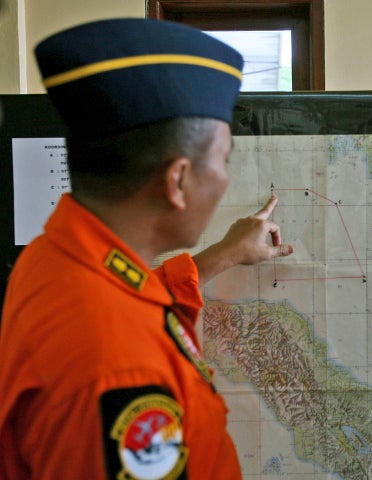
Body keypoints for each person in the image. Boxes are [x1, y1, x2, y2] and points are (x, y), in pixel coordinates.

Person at [0, 18, 293, 479]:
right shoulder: (121, 372)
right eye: (223, 159)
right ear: (177, 181)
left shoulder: (57, 258)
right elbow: (119, 331)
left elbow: (132, 297)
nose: (225, 177)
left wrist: (226, 254)